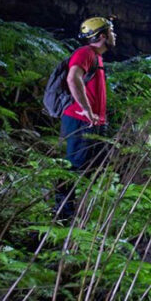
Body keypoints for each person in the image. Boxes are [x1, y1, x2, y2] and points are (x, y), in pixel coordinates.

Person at [55, 16, 116, 219]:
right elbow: (73, 78)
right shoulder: (85, 53)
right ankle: (63, 215)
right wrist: (87, 109)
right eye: (111, 31)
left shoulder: (96, 57)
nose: (114, 35)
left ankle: (84, 213)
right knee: (73, 166)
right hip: (80, 120)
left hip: (93, 122)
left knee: (98, 165)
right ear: (102, 36)